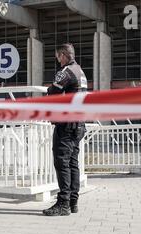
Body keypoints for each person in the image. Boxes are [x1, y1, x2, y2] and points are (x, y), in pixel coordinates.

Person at [43, 43, 87, 216]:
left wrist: (49, 90)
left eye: (57, 56)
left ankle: (63, 203)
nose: (57, 59)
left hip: (67, 124)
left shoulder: (66, 72)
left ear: (62, 55)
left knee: (62, 162)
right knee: (72, 162)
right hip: (79, 123)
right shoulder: (80, 71)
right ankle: (73, 202)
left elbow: (52, 92)